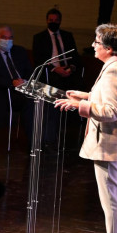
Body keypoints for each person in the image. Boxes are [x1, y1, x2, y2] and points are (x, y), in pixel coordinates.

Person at [55, 23, 117, 233]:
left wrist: (77, 107)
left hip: (110, 144)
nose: (93, 45)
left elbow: (111, 111)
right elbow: (112, 99)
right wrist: (84, 96)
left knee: (112, 201)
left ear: (109, 48)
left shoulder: (114, 71)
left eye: (97, 42)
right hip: (116, 144)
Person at [33, 8, 84, 145]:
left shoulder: (67, 36)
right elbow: (39, 60)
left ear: (60, 21)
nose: (53, 23)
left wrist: (71, 67)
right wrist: (56, 69)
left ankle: (75, 124)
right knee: (55, 84)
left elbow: (75, 57)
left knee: (80, 86)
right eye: (51, 20)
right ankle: (54, 125)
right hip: (52, 73)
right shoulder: (39, 37)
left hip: (68, 71)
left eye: (56, 20)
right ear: (46, 21)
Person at [0, 26, 34, 141]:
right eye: (4, 38)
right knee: (28, 103)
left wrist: (24, 81)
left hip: (22, 88)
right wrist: (11, 82)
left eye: (10, 38)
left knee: (37, 102)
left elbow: (30, 71)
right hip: (2, 91)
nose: (7, 41)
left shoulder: (20, 51)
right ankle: (30, 138)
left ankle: (37, 138)